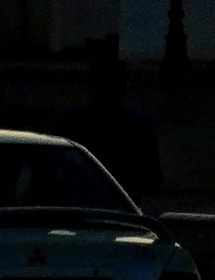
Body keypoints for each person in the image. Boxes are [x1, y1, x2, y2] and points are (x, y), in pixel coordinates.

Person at [58, 48, 163, 203]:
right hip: (121, 208)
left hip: (78, 205)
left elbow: (55, 172)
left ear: (90, 85)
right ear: (125, 86)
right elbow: (152, 180)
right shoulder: (137, 125)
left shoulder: (69, 122)